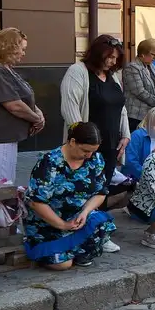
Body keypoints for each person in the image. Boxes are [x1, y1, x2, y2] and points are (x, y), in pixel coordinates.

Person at [23, 122, 118, 269]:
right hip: (48, 222)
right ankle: (66, 250)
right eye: (85, 150)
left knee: (102, 224)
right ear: (72, 142)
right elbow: (36, 202)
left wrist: (85, 212)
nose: (89, 155)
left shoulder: (95, 159)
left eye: (93, 151)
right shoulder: (50, 162)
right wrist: (62, 224)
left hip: (77, 218)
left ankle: (74, 250)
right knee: (63, 264)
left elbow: (100, 192)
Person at [61, 34, 130, 235]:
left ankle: (98, 228)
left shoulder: (112, 77)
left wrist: (125, 135)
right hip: (87, 146)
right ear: (98, 54)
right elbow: (70, 107)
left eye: (116, 58)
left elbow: (121, 107)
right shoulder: (77, 72)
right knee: (84, 187)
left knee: (102, 188)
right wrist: (82, 141)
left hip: (111, 144)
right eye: (109, 57)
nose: (113, 62)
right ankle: (81, 229)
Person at [0, 28, 44, 182]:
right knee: (0, 184)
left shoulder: (7, 69)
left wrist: (38, 113)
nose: (24, 54)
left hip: (8, 137)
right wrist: (36, 119)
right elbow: (14, 105)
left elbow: (24, 96)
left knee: (6, 182)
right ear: (10, 49)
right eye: (22, 49)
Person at [123, 39, 155, 132]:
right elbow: (139, 91)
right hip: (136, 116)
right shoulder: (132, 68)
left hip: (151, 115)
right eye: (153, 55)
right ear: (143, 54)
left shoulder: (150, 66)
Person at [123, 105, 155, 180]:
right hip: (133, 180)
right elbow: (130, 161)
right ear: (150, 121)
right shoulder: (137, 135)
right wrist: (148, 176)